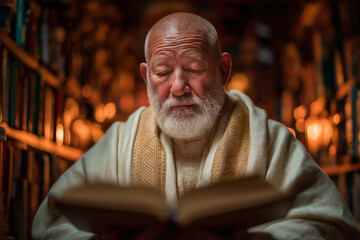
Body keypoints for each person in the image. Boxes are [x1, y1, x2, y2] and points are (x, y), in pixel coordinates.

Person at [32, 12, 360, 240]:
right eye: (162, 72)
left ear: (223, 69)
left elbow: (332, 224)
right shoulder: (119, 142)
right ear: (146, 77)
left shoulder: (271, 140)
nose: (178, 86)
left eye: (193, 67)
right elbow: (52, 222)